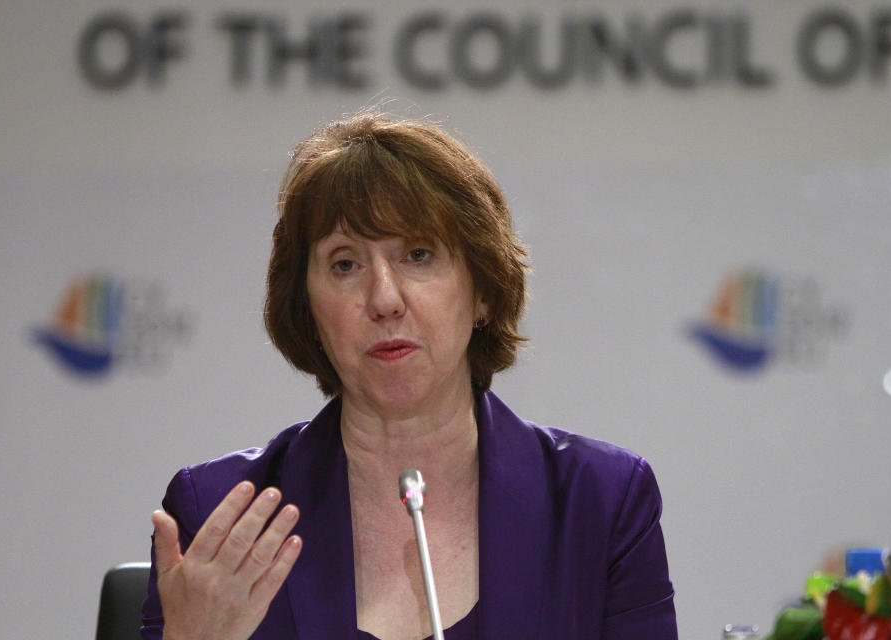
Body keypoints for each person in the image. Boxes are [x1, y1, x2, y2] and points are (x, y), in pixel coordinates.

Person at [141, 111, 677, 640]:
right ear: (308, 306)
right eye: (345, 264)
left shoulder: (599, 504)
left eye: (417, 255)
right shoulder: (220, 515)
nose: (384, 299)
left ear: (484, 290)